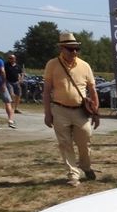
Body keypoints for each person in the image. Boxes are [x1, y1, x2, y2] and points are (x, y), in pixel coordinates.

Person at [43, 32, 100, 187]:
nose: (74, 52)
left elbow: (92, 91)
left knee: (85, 140)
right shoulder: (52, 65)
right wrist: (47, 113)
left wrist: (96, 113)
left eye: (76, 49)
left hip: (80, 110)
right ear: (62, 48)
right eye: (70, 48)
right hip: (59, 109)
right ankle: (73, 174)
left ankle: (85, 166)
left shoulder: (84, 66)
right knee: (65, 143)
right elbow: (46, 91)